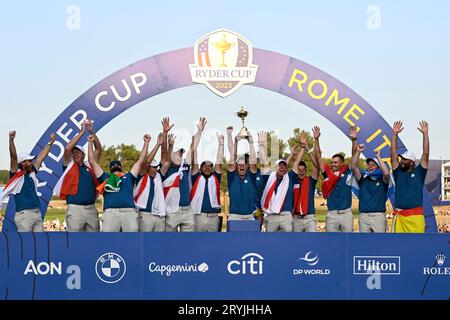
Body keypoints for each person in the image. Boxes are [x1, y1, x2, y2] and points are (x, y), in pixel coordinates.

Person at [87, 133, 151, 232]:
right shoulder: (105, 177)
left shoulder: (129, 176)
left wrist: (146, 143)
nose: (114, 166)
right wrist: (90, 143)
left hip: (129, 212)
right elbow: (92, 161)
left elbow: (140, 160)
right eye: (112, 166)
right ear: (110, 169)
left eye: (116, 165)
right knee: (109, 241)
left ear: (121, 167)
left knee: (131, 241)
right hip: (110, 213)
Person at [1, 131, 56, 232]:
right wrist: (11, 140)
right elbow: (13, 157)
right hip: (24, 215)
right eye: (29, 161)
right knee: (26, 245)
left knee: (38, 244)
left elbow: (41, 158)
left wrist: (50, 143)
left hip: (37, 213)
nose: (31, 163)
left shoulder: (32, 172)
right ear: (22, 163)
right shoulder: (15, 174)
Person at [54, 119, 103, 232]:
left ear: (84, 154)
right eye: (73, 152)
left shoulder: (89, 164)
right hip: (75, 210)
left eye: (78, 152)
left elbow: (99, 149)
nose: (75, 154)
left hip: (91, 208)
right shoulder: (69, 165)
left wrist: (92, 132)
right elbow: (67, 149)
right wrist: (81, 132)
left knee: (94, 241)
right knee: (74, 241)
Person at [161, 117, 206, 232]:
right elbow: (165, 152)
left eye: (181, 154)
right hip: (172, 211)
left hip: (187, 210)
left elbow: (193, 147)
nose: (180, 156)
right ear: (171, 155)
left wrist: (199, 132)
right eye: (178, 154)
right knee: (170, 242)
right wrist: (165, 133)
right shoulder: (166, 167)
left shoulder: (185, 166)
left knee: (188, 241)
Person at [390, 121, 429, 233]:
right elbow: (393, 153)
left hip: (415, 217)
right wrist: (395, 135)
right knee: (398, 247)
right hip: (400, 216)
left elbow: (426, 153)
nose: (402, 161)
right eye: (401, 158)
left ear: (411, 162)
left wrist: (425, 134)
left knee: (417, 247)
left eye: (405, 159)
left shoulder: (420, 172)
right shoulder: (398, 173)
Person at [314, 126, 354, 232]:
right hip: (331, 214)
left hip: (346, 214)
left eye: (335, 162)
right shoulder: (327, 173)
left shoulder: (347, 172)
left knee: (348, 242)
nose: (332, 164)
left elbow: (354, 156)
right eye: (331, 162)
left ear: (342, 163)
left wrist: (354, 141)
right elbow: (318, 156)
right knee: (331, 243)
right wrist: (316, 139)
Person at [260, 131, 296, 232]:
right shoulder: (269, 177)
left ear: (286, 169)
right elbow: (264, 162)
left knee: (288, 241)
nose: (282, 168)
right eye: (279, 166)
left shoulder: (288, 178)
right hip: (272, 216)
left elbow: (287, 165)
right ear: (275, 168)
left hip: (286, 216)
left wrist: (292, 154)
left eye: (284, 167)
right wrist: (261, 144)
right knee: (270, 242)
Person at [350, 143, 390, 233]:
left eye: (373, 164)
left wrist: (378, 157)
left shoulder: (383, 180)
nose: (370, 166)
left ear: (378, 167)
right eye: (368, 164)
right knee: (364, 243)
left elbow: (386, 173)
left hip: (378, 216)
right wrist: (358, 152)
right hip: (364, 216)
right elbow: (353, 167)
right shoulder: (363, 178)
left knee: (379, 243)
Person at [190, 132, 224, 232]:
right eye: (204, 166)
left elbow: (219, 161)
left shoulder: (215, 177)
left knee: (213, 243)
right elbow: (194, 161)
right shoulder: (196, 177)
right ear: (200, 168)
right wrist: (194, 144)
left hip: (213, 216)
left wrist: (221, 144)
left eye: (209, 166)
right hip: (198, 216)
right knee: (197, 242)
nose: (207, 168)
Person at [134, 133, 167, 232]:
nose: (156, 169)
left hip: (159, 215)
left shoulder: (159, 176)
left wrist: (164, 137)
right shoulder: (141, 175)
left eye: (157, 167)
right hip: (145, 214)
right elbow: (147, 161)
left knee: (158, 244)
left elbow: (165, 158)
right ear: (148, 168)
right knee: (144, 244)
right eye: (154, 167)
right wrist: (156, 145)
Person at [225, 126, 259, 221]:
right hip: (234, 216)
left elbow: (253, 162)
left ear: (248, 166)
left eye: (244, 164)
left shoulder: (251, 177)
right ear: (236, 166)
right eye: (239, 164)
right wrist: (235, 141)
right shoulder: (232, 177)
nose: (241, 166)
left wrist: (251, 142)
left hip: (250, 216)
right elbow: (232, 157)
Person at [291, 133, 319, 232]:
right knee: (296, 243)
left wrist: (308, 150)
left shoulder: (310, 181)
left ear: (306, 170)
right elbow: (293, 165)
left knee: (312, 241)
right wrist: (293, 155)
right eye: (299, 169)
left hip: (309, 217)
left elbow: (316, 167)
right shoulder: (292, 181)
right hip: (296, 218)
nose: (301, 171)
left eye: (303, 169)